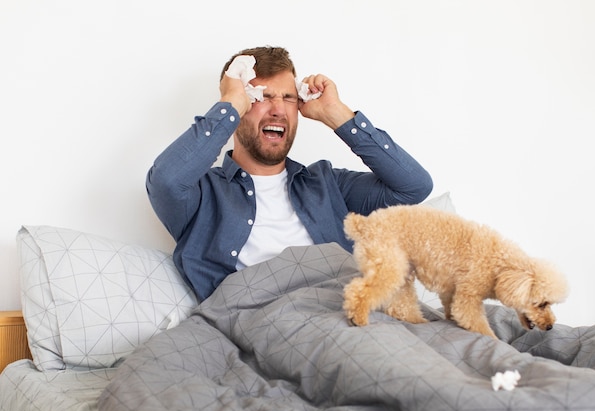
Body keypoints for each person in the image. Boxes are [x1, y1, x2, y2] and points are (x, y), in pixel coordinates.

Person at [147, 46, 433, 301]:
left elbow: (413, 187)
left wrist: (337, 114)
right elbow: (165, 181)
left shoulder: (327, 183)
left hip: (344, 308)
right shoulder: (200, 195)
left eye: (288, 98)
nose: (278, 110)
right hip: (264, 320)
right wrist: (231, 102)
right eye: (263, 97)